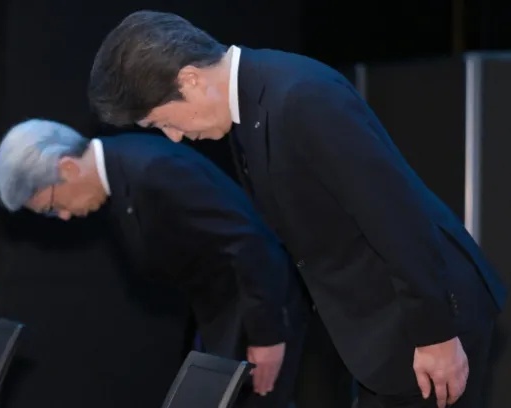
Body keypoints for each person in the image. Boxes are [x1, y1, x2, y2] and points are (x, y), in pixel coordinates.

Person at [86, 10, 507, 408]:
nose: (174, 137)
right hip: (383, 332)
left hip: (429, 326)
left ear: (190, 79)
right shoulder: (249, 105)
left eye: (163, 122)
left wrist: (435, 334)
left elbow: (395, 215)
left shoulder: (300, 95)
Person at [0, 118, 311, 408]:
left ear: (68, 168)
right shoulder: (121, 172)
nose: (62, 216)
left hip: (259, 313)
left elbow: (249, 242)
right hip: (224, 318)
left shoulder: (153, 169)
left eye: (52, 206)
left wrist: (266, 335)